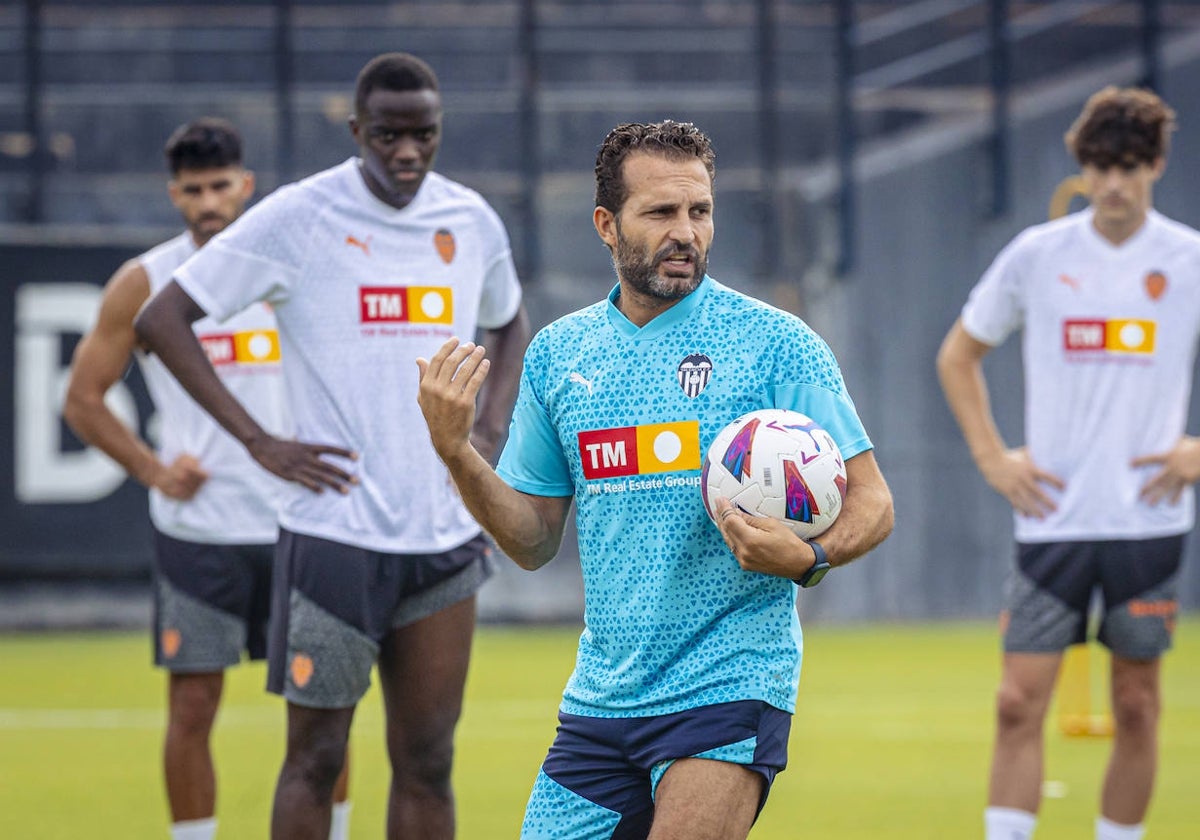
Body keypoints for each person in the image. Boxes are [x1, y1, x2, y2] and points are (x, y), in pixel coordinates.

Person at [416, 119, 894, 839]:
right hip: (602, 699)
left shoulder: (776, 344)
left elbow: (873, 500)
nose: (686, 232)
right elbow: (532, 540)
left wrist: (812, 557)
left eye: (699, 211)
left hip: (729, 681)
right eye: (661, 213)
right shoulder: (559, 354)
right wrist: (457, 451)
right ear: (607, 225)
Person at [133, 53, 530, 840]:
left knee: (429, 762)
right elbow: (161, 321)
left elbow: (509, 320)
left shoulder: (470, 219)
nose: (408, 152)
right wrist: (258, 441)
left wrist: (487, 432)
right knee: (315, 760)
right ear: (357, 132)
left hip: (444, 541)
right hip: (332, 540)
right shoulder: (300, 216)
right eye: (388, 136)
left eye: (424, 135)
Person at [63, 119, 351, 840]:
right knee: (192, 711)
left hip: (299, 520)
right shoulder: (145, 282)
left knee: (324, 708)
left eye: (220, 186)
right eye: (193, 191)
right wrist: (153, 469)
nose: (208, 201)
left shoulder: (292, 267)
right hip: (200, 531)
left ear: (245, 185)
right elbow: (81, 398)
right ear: (174, 196)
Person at [936, 86, 1197, 840]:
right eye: (1100, 167)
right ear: (1082, 168)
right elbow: (959, 356)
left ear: (1156, 164)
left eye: (1128, 167)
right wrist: (993, 457)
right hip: (1051, 521)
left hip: (1147, 521)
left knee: (1139, 705)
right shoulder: (1038, 256)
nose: (1113, 183)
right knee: (1017, 701)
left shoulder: (1188, 260)